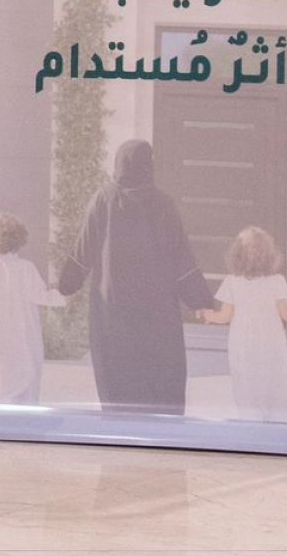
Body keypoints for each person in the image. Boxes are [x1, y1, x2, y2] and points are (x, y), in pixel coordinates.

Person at [57, 139, 216, 415]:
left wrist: (67, 284)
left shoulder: (104, 200)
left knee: (118, 384)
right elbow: (181, 258)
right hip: (157, 314)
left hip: (113, 313)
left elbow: (83, 250)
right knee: (160, 385)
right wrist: (200, 300)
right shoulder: (163, 205)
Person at [199, 225, 287, 422]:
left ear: (236, 255)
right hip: (271, 343)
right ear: (270, 255)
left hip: (243, 342)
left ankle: (250, 419)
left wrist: (207, 315)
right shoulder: (277, 281)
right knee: (275, 379)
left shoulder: (232, 282)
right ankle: (279, 420)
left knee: (245, 380)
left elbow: (224, 317)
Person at [0, 213, 64, 405]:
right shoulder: (27, 268)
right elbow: (40, 296)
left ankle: (2, 403)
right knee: (27, 366)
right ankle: (26, 405)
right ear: (19, 239)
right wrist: (64, 298)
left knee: (1, 368)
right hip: (24, 328)